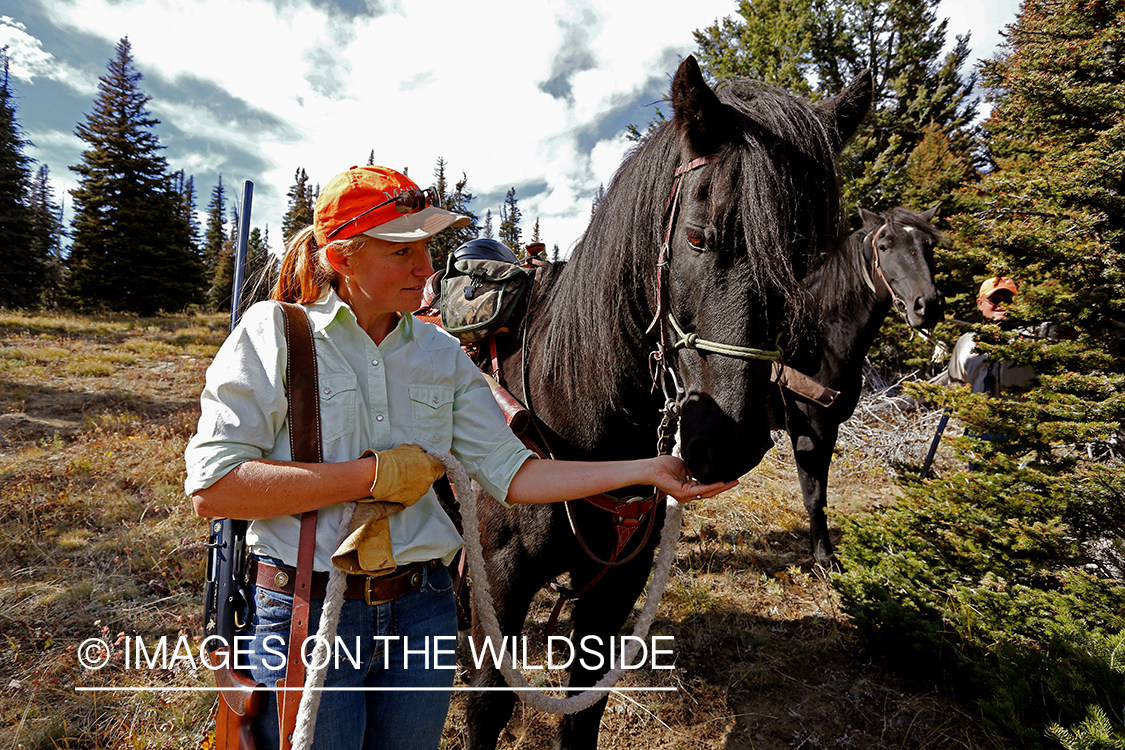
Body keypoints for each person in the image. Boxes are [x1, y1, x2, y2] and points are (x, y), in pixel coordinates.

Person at [184, 164, 734, 750]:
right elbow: (215, 487)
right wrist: (369, 476)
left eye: (427, 248)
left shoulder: (441, 353)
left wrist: (647, 470)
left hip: (423, 610)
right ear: (343, 258)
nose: (427, 268)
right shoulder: (277, 335)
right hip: (307, 606)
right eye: (402, 252)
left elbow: (515, 474)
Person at [947, 276, 1036, 395]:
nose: (1001, 305)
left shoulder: (1032, 335)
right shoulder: (965, 342)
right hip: (978, 412)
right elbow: (956, 383)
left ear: (1015, 303)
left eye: (1007, 300)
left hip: (1019, 412)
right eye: (994, 300)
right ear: (980, 304)